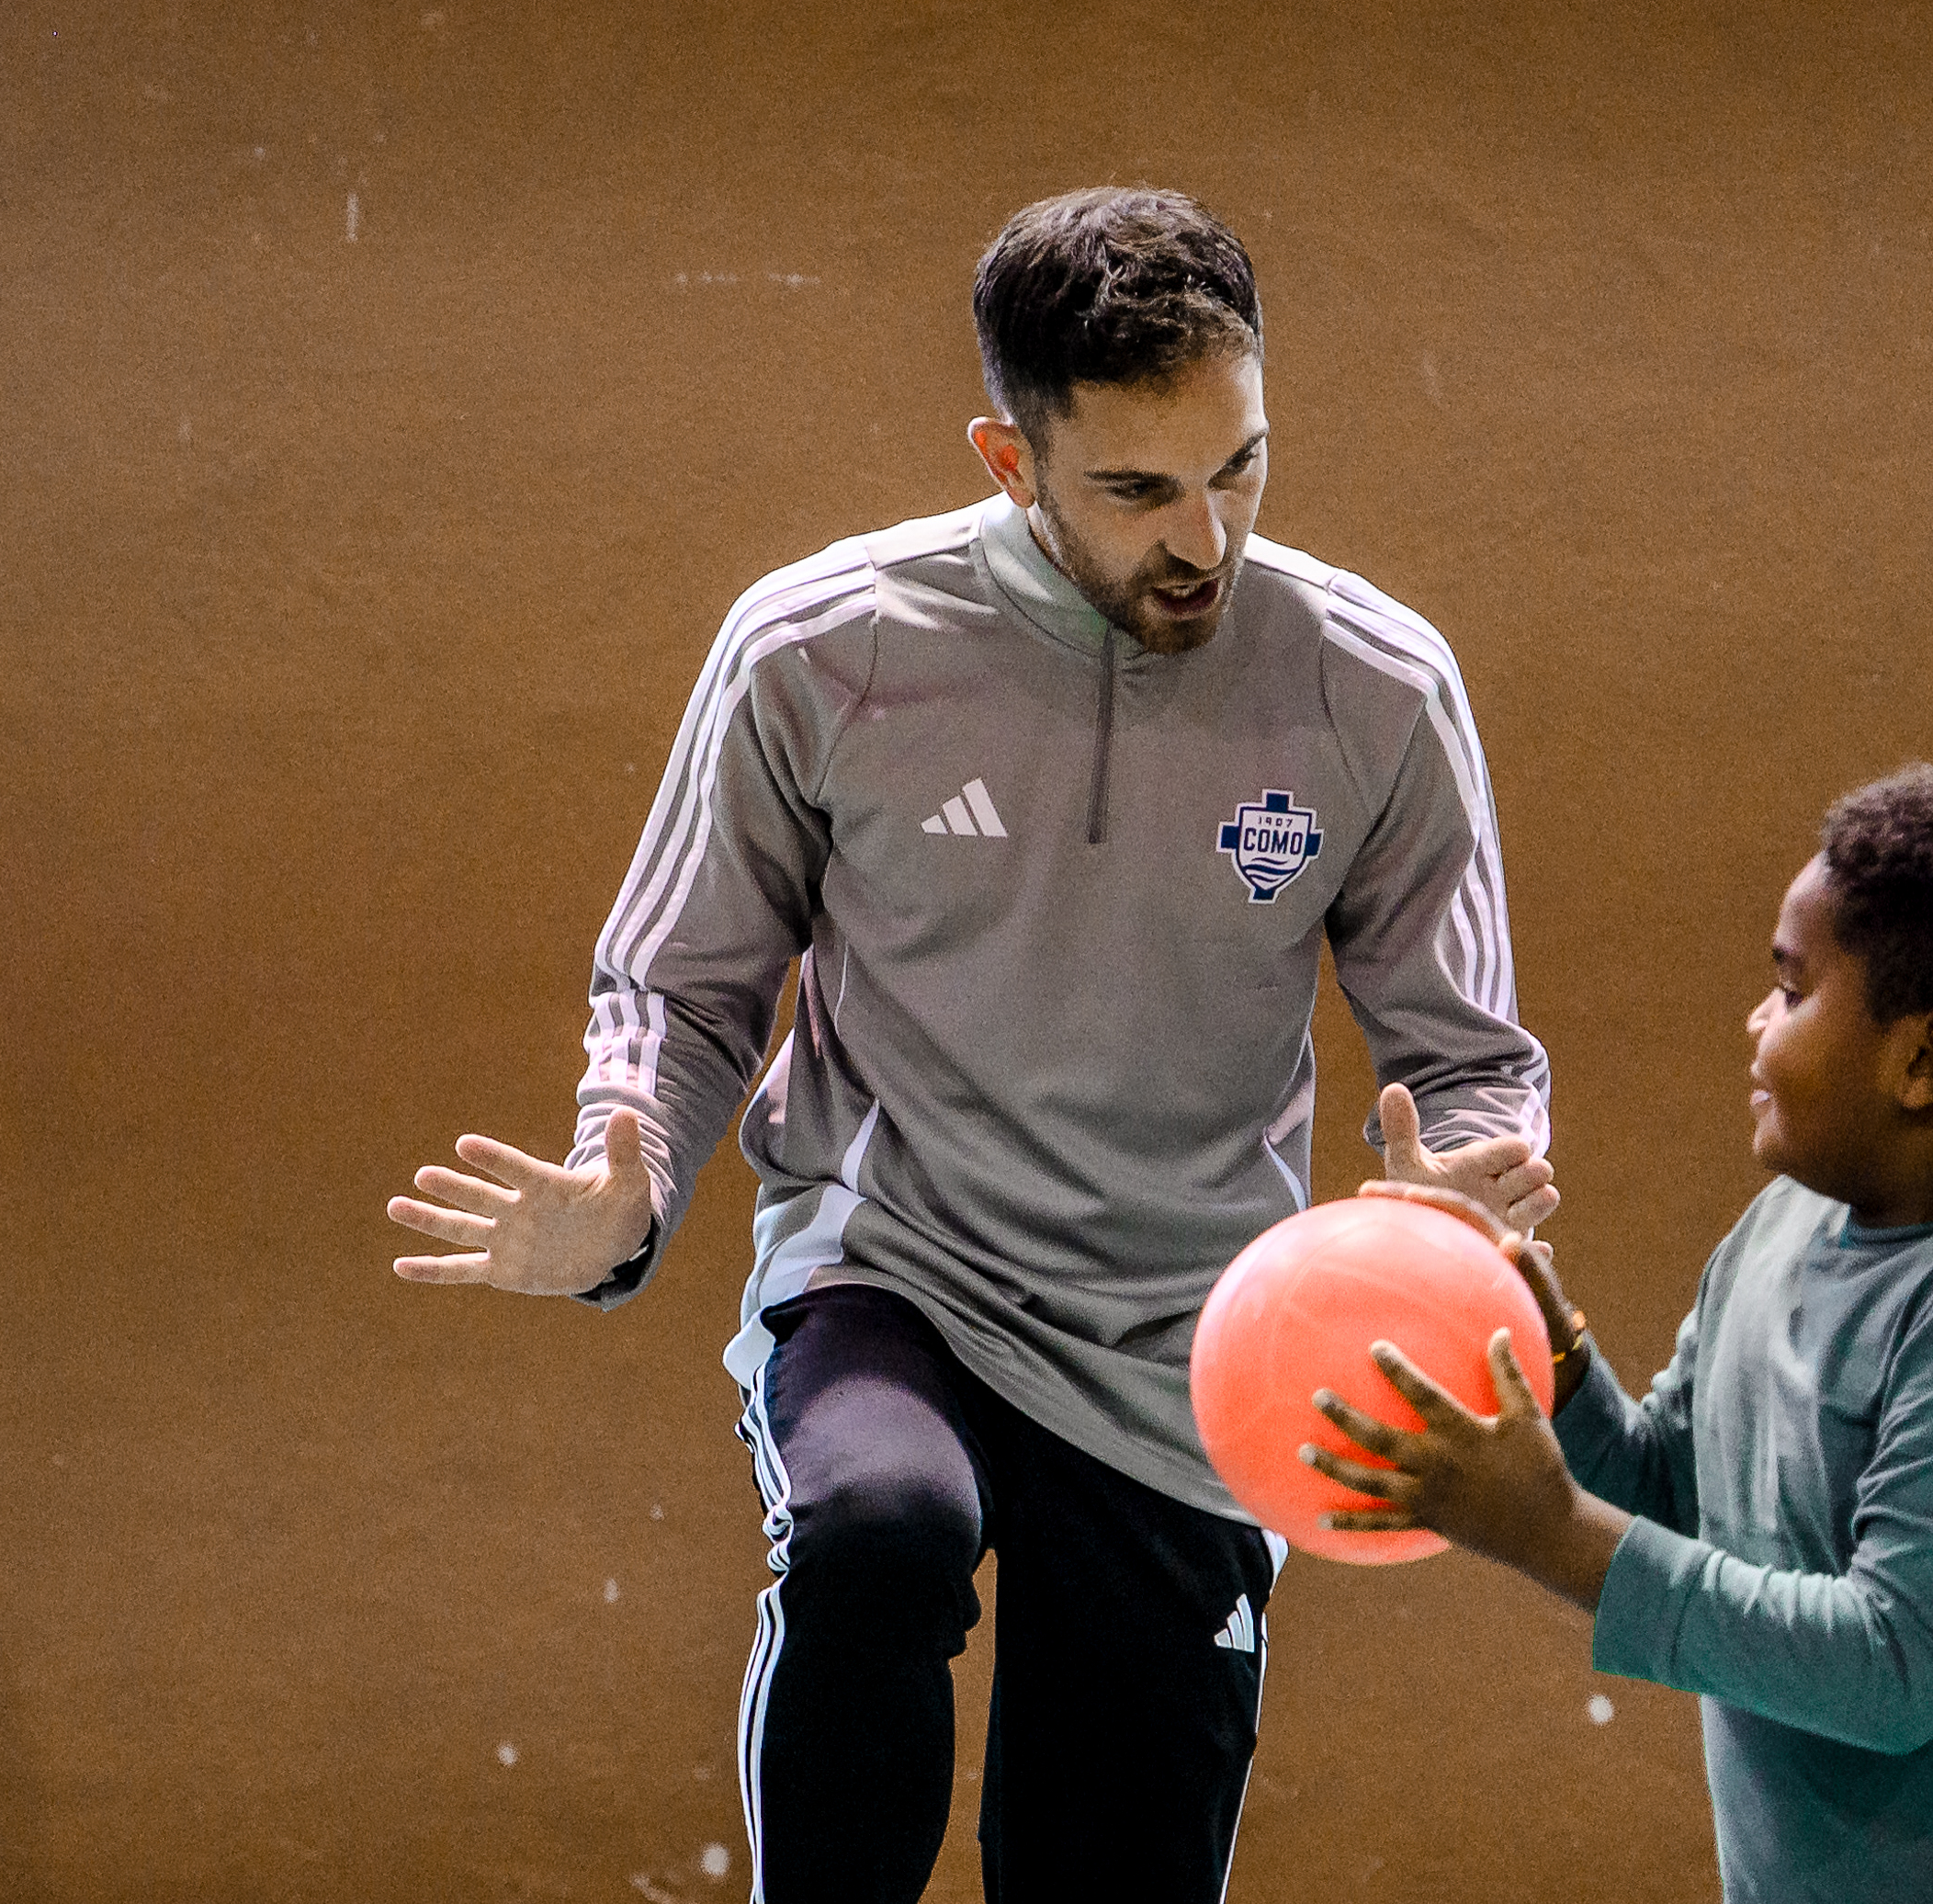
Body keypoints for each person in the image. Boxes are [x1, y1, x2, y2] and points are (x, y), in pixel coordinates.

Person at [381, 186, 1556, 1904]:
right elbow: (686, 985)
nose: (1207, 540)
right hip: (893, 1266)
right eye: (1138, 488)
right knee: (877, 1531)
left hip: (1188, 1340)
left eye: (1238, 466)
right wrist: (618, 1180)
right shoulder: (821, 647)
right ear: (1009, 462)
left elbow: (1467, 1050)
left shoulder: (1374, 686)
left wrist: (1474, 1195)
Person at [1312, 763, 1933, 1903]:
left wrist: (1548, 1529)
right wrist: (1517, 1309)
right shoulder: (1787, 1220)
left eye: (1793, 992)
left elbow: (1892, 1665)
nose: (1756, 1021)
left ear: (1926, 1059)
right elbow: (1670, 1488)